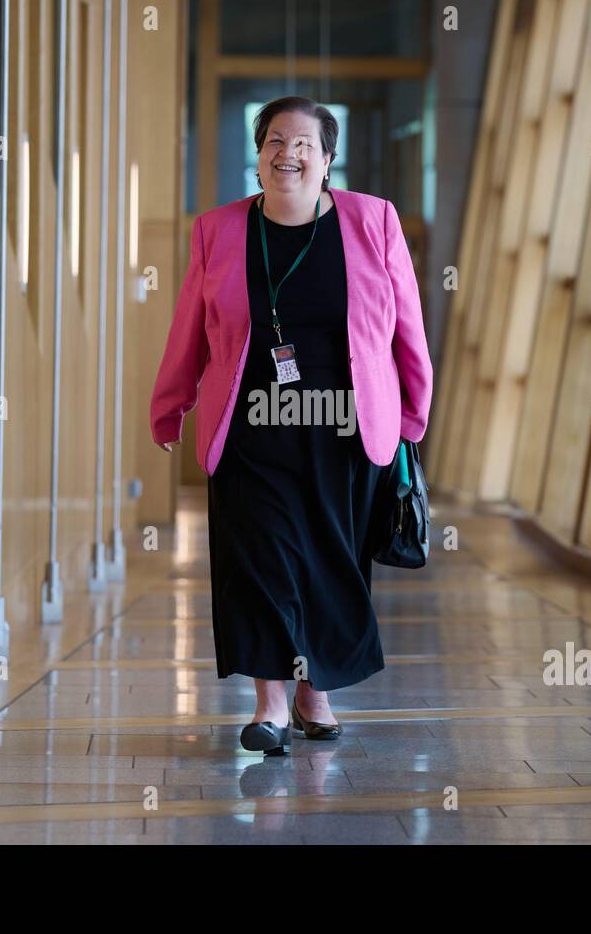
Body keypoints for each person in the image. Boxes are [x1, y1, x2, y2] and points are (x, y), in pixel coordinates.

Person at [149, 96, 433, 755]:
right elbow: (189, 327)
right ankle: (270, 704)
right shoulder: (217, 231)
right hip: (254, 425)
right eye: (275, 140)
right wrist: (171, 406)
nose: (288, 153)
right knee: (263, 562)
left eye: (304, 142)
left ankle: (316, 693)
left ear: (328, 158)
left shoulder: (373, 222)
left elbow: (406, 327)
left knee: (333, 564)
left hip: (345, 427)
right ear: (258, 156)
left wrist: (413, 413)